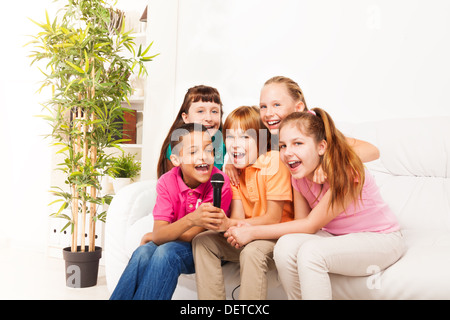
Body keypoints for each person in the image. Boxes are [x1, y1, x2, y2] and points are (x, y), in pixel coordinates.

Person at [225, 109, 405, 300]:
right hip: (335, 236)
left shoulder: (345, 172)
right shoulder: (298, 176)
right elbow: (302, 224)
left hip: (381, 239)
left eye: (298, 144)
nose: (287, 152)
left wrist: (251, 232)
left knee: (311, 254)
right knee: (285, 246)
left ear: (321, 147)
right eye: (284, 145)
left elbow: (311, 224)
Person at [110, 123, 232, 300]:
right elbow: (161, 233)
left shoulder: (219, 182)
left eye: (208, 150)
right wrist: (188, 220)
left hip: (206, 247)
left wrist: (157, 235)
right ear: (176, 160)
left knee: (166, 252)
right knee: (142, 253)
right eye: (193, 152)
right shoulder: (167, 181)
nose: (203, 157)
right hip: (180, 243)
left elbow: (192, 235)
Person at [192, 106, 294, 300]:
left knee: (252, 252)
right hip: (248, 233)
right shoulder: (234, 171)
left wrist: (231, 225)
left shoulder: (273, 162)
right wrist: (225, 225)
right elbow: (238, 217)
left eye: (245, 137)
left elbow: (274, 217)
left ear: (262, 141)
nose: (235, 144)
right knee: (203, 241)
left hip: (277, 236)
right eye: (230, 137)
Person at [225, 76, 380, 185]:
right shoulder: (272, 132)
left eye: (277, 105)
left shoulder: (314, 129)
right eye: (263, 106)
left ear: (298, 108)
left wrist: (328, 162)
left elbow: (372, 151)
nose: (268, 113)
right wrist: (233, 162)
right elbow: (253, 147)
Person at [157, 85, 226, 178]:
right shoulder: (177, 145)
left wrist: (233, 166)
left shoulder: (222, 139)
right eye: (200, 111)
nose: (209, 118)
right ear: (186, 117)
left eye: (214, 111)